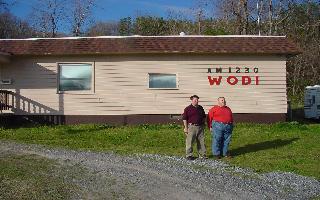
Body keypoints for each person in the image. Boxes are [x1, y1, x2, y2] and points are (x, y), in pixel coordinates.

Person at [182, 95, 207, 160]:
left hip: (200, 127)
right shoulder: (187, 108)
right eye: (195, 100)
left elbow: (204, 117)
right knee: (190, 141)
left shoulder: (200, 108)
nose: (196, 101)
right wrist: (185, 128)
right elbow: (184, 119)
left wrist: (204, 124)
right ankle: (189, 155)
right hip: (191, 127)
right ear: (192, 100)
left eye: (197, 100)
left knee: (201, 141)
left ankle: (202, 155)